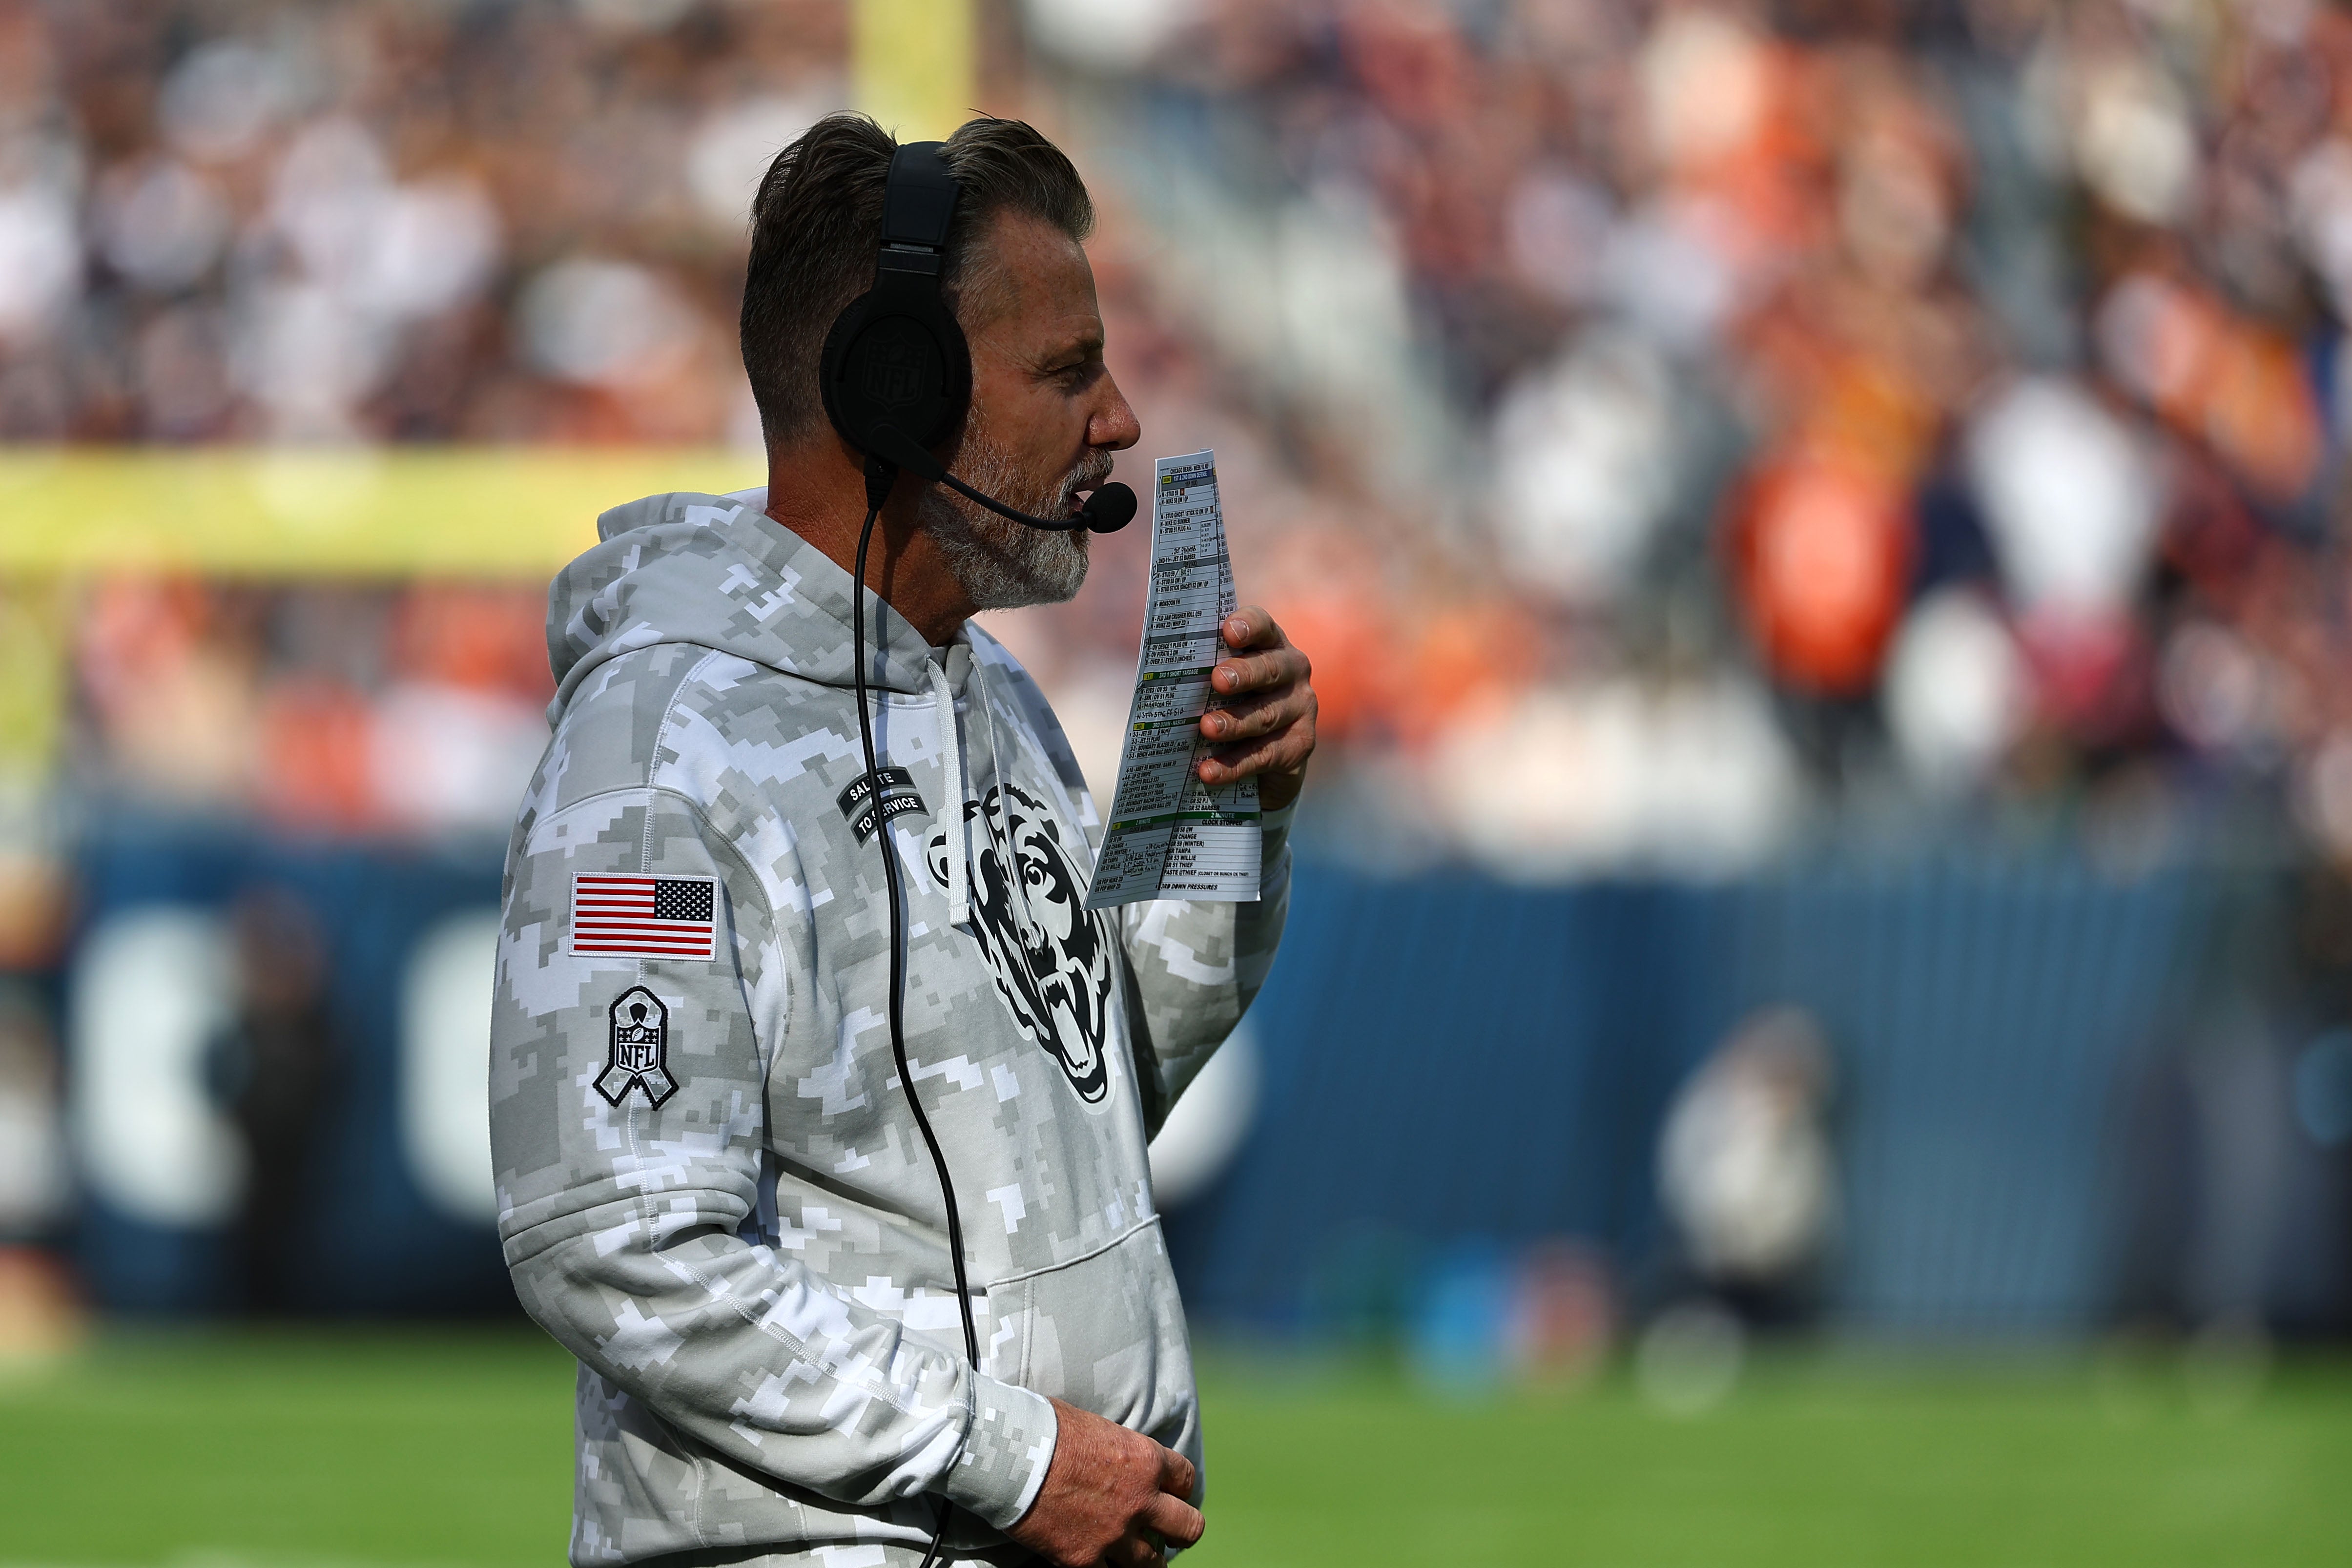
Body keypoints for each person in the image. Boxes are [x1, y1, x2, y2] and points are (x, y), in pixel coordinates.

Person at [488, 114, 1316, 1568]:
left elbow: (1093, 1095)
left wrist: (1226, 814)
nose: (1120, 418)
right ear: (897, 390)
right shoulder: (658, 750)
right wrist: (1013, 1459)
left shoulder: (988, 694)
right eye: (1067, 370)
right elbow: (617, 1243)